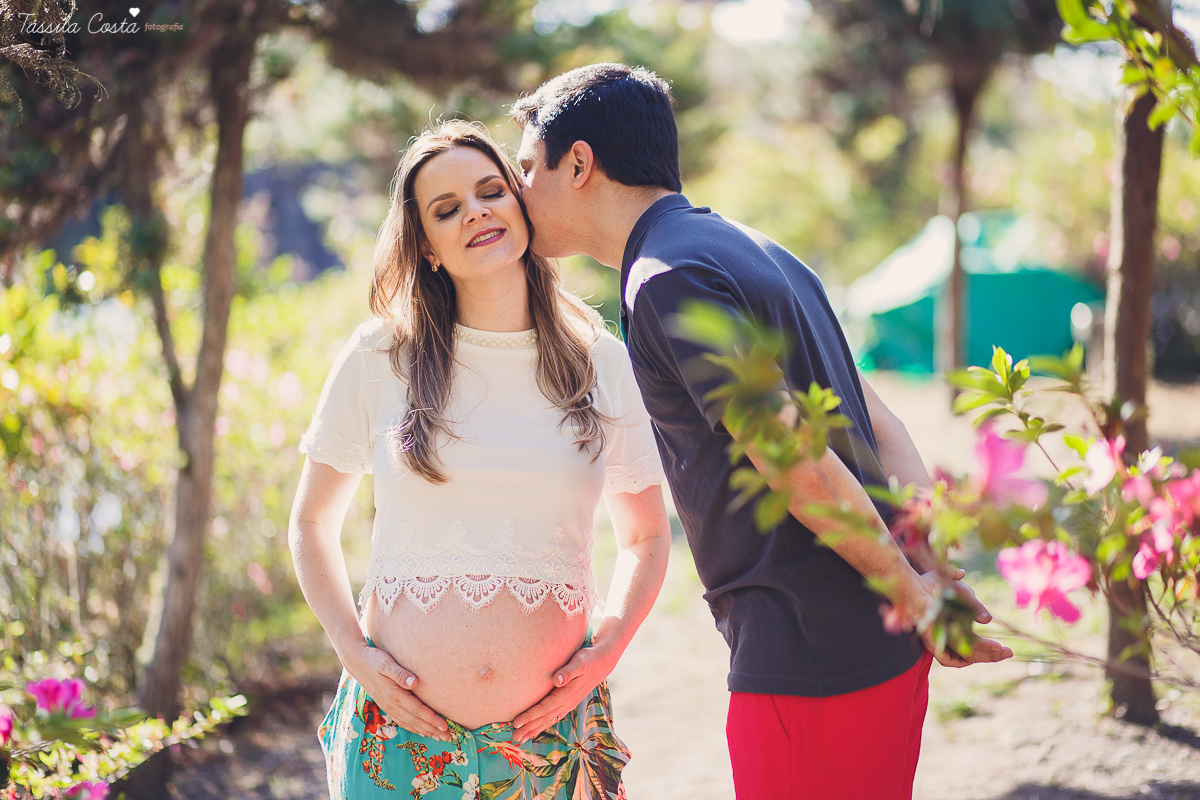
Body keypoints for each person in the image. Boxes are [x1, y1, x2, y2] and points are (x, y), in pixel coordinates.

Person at [511, 64, 1014, 800]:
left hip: (812, 660)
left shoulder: (665, 279)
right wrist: (924, 568)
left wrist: (915, 592)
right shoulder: (758, 249)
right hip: (878, 645)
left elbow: (794, 461)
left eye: (528, 167)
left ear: (579, 163)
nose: (518, 189)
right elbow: (879, 420)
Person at [289, 119, 670, 800]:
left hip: (551, 749)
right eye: (447, 209)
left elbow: (645, 536)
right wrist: (352, 649)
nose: (476, 212)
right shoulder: (380, 356)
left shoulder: (600, 361)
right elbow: (312, 523)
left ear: (520, 205)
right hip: (397, 745)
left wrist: (607, 650)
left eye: (491, 191)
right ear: (426, 246)